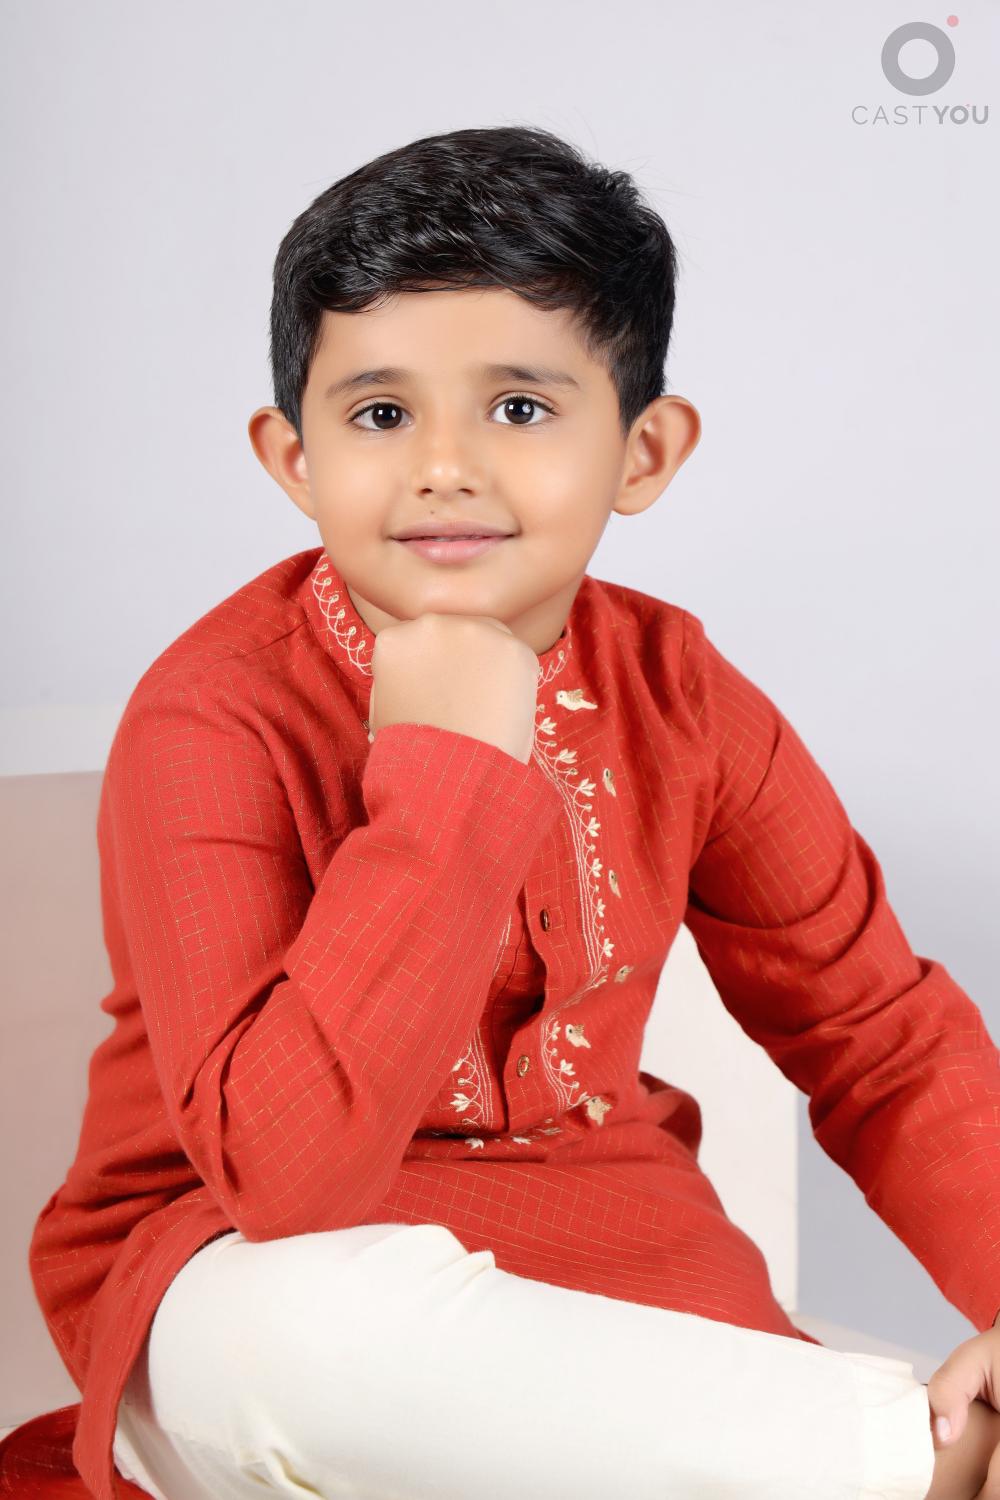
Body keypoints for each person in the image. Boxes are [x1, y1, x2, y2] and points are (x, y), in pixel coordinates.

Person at [22, 124, 1000, 1500]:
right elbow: (283, 1181)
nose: (445, 466)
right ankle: (924, 1466)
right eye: (380, 415)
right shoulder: (213, 714)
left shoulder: (681, 694)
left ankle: (854, 1453)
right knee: (303, 1338)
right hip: (243, 1269)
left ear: (644, 451)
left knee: (628, 1392)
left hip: (608, 1282)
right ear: (292, 456)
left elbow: (881, 1038)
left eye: (521, 410)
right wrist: (453, 766)